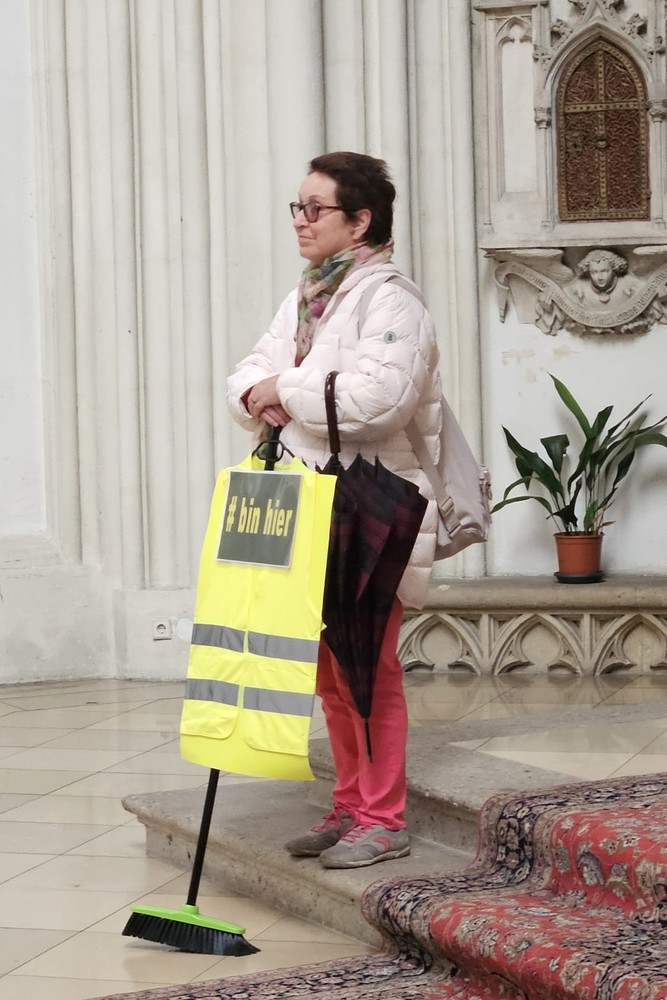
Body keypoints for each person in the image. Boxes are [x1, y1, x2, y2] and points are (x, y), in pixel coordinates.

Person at [227, 151, 442, 869]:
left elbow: (381, 401)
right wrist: (264, 391)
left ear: (360, 221)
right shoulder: (305, 297)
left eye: (314, 208)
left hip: (370, 503)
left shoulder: (393, 301)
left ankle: (383, 818)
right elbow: (244, 377)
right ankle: (350, 804)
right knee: (326, 665)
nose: (300, 220)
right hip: (307, 497)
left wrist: (282, 391)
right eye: (297, 206)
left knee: (367, 666)